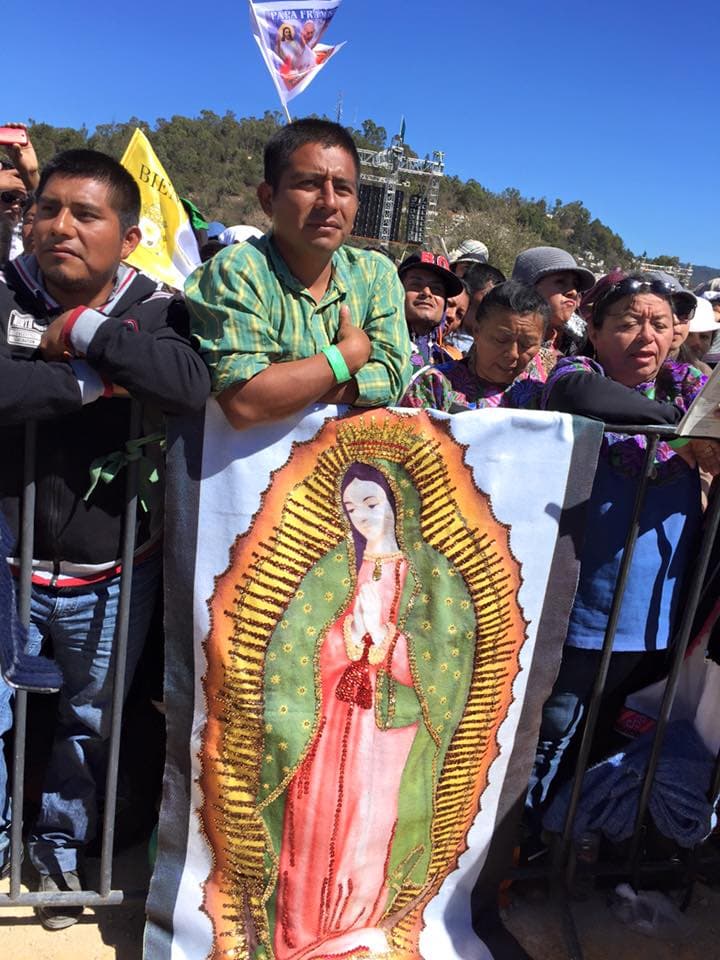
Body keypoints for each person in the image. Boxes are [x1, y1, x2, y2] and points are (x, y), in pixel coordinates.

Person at [0, 148, 211, 928]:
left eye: (85, 214)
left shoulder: (160, 309)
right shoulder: (4, 290)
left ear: (128, 238)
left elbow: (187, 384)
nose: (60, 226)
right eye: (47, 209)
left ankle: (57, 847)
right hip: (4, 565)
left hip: (114, 573)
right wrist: (90, 383)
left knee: (90, 723)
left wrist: (88, 330)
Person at [524, 272, 720, 836]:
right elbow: (579, 396)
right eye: (629, 322)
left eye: (660, 323)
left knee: (610, 733)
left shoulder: (686, 381)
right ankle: (521, 844)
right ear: (596, 328)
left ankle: (572, 837)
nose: (647, 336)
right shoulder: (576, 373)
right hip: (583, 603)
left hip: (658, 610)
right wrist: (683, 431)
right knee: (553, 726)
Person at [186, 119, 412, 429]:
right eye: (309, 184)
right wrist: (346, 357)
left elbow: (392, 379)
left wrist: (285, 386)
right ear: (268, 199)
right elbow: (244, 401)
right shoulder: (237, 270)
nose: (329, 202)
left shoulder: (376, 275)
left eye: (343, 188)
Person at [401, 280, 553, 411]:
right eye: (501, 340)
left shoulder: (542, 396)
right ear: (477, 332)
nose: (513, 354)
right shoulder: (434, 386)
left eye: (526, 344)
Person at [512, 246, 595, 353]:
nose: (573, 292)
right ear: (528, 289)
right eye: (560, 282)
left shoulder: (581, 344)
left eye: (575, 284)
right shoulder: (504, 345)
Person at [397, 249, 464, 367]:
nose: (427, 293)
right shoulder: (379, 347)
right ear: (398, 291)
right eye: (416, 285)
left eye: (436, 288)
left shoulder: (450, 365)